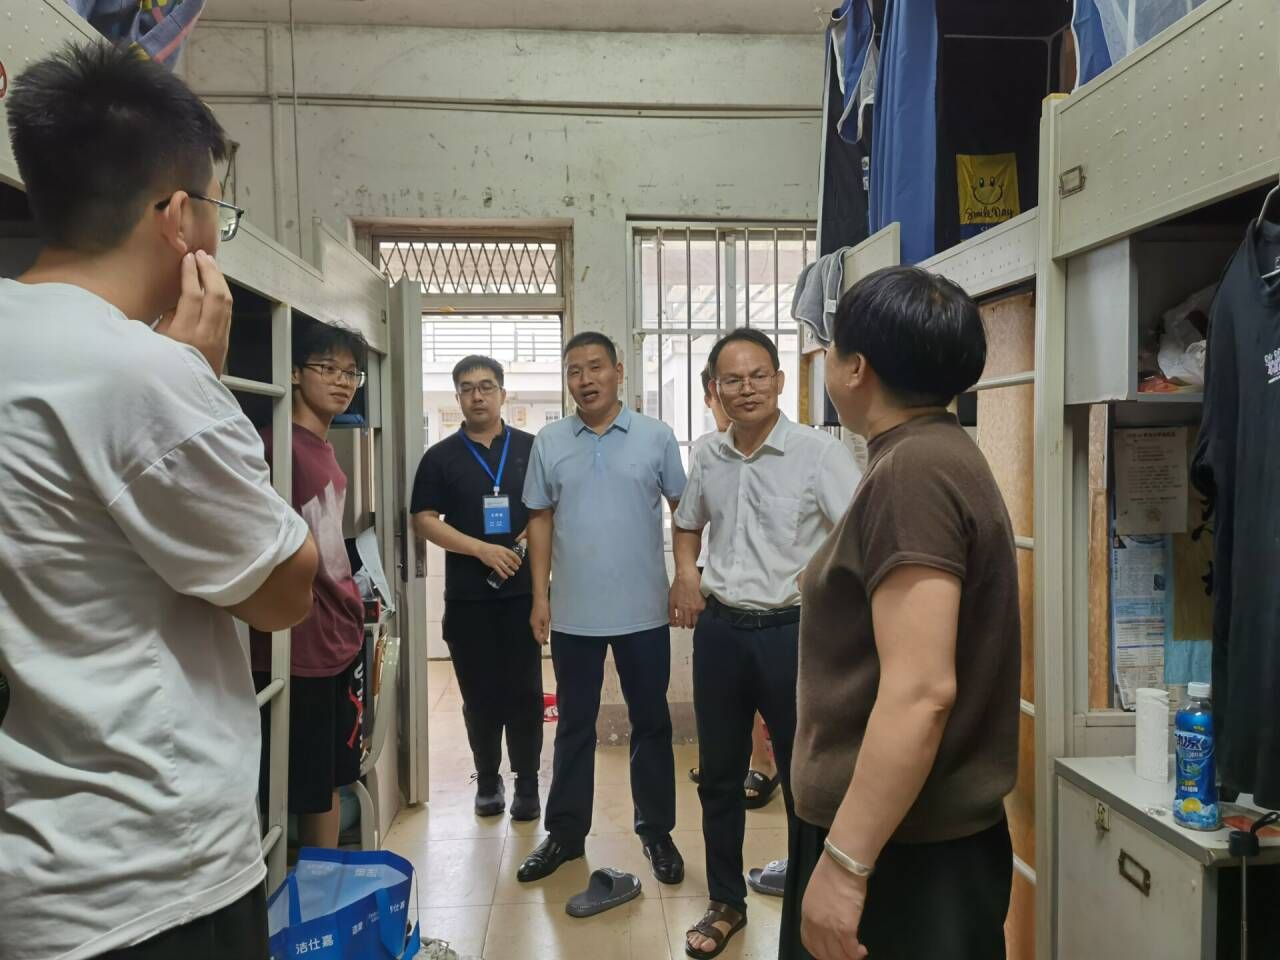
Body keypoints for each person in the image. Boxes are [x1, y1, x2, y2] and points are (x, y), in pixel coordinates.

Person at [0, 44, 318, 960]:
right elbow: (284, 589)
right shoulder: (145, 376)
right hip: (151, 874)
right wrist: (196, 380)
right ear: (178, 217)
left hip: (34, 869)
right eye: (218, 210)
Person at [785, 266, 1020, 960]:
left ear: (857, 368)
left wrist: (845, 865)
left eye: (830, 347)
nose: (826, 360)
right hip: (904, 838)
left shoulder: (912, 473)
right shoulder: (931, 453)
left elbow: (920, 693)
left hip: (905, 855)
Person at [670, 330, 860, 959]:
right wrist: (686, 573)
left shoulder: (819, 454)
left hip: (794, 634)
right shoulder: (709, 455)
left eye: (758, 376)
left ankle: (811, 904)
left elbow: (860, 534)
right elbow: (688, 523)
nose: (746, 388)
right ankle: (726, 900)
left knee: (807, 779)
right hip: (722, 633)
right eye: (732, 379)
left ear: (780, 381)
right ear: (715, 390)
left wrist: (823, 584)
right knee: (718, 776)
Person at [517, 332, 687, 885]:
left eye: (595, 367)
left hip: (644, 611)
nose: (585, 380)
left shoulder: (656, 437)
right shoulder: (550, 441)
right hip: (574, 613)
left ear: (619, 370)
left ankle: (656, 832)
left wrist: (686, 577)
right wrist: (540, 596)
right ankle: (565, 835)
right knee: (574, 724)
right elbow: (539, 518)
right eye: (574, 370)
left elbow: (684, 510)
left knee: (651, 722)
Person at [249, 318, 370, 850]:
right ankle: (304, 895)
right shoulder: (276, 448)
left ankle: (327, 890)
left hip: (332, 639)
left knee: (329, 781)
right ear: (295, 373)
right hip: (295, 647)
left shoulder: (320, 446)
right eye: (327, 368)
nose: (342, 381)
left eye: (351, 373)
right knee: (302, 787)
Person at [410, 355, 543, 821]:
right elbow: (424, 519)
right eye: (467, 388)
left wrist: (528, 538)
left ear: (503, 394)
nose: (478, 396)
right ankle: (488, 779)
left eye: (486, 386)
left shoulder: (532, 449)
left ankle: (528, 783)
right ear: (458, 397)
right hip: (469, 598)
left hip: (523, 595)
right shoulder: (440, 457)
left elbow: (550, 509)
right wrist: (481, 550)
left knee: (526, 694)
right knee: (479, 695)